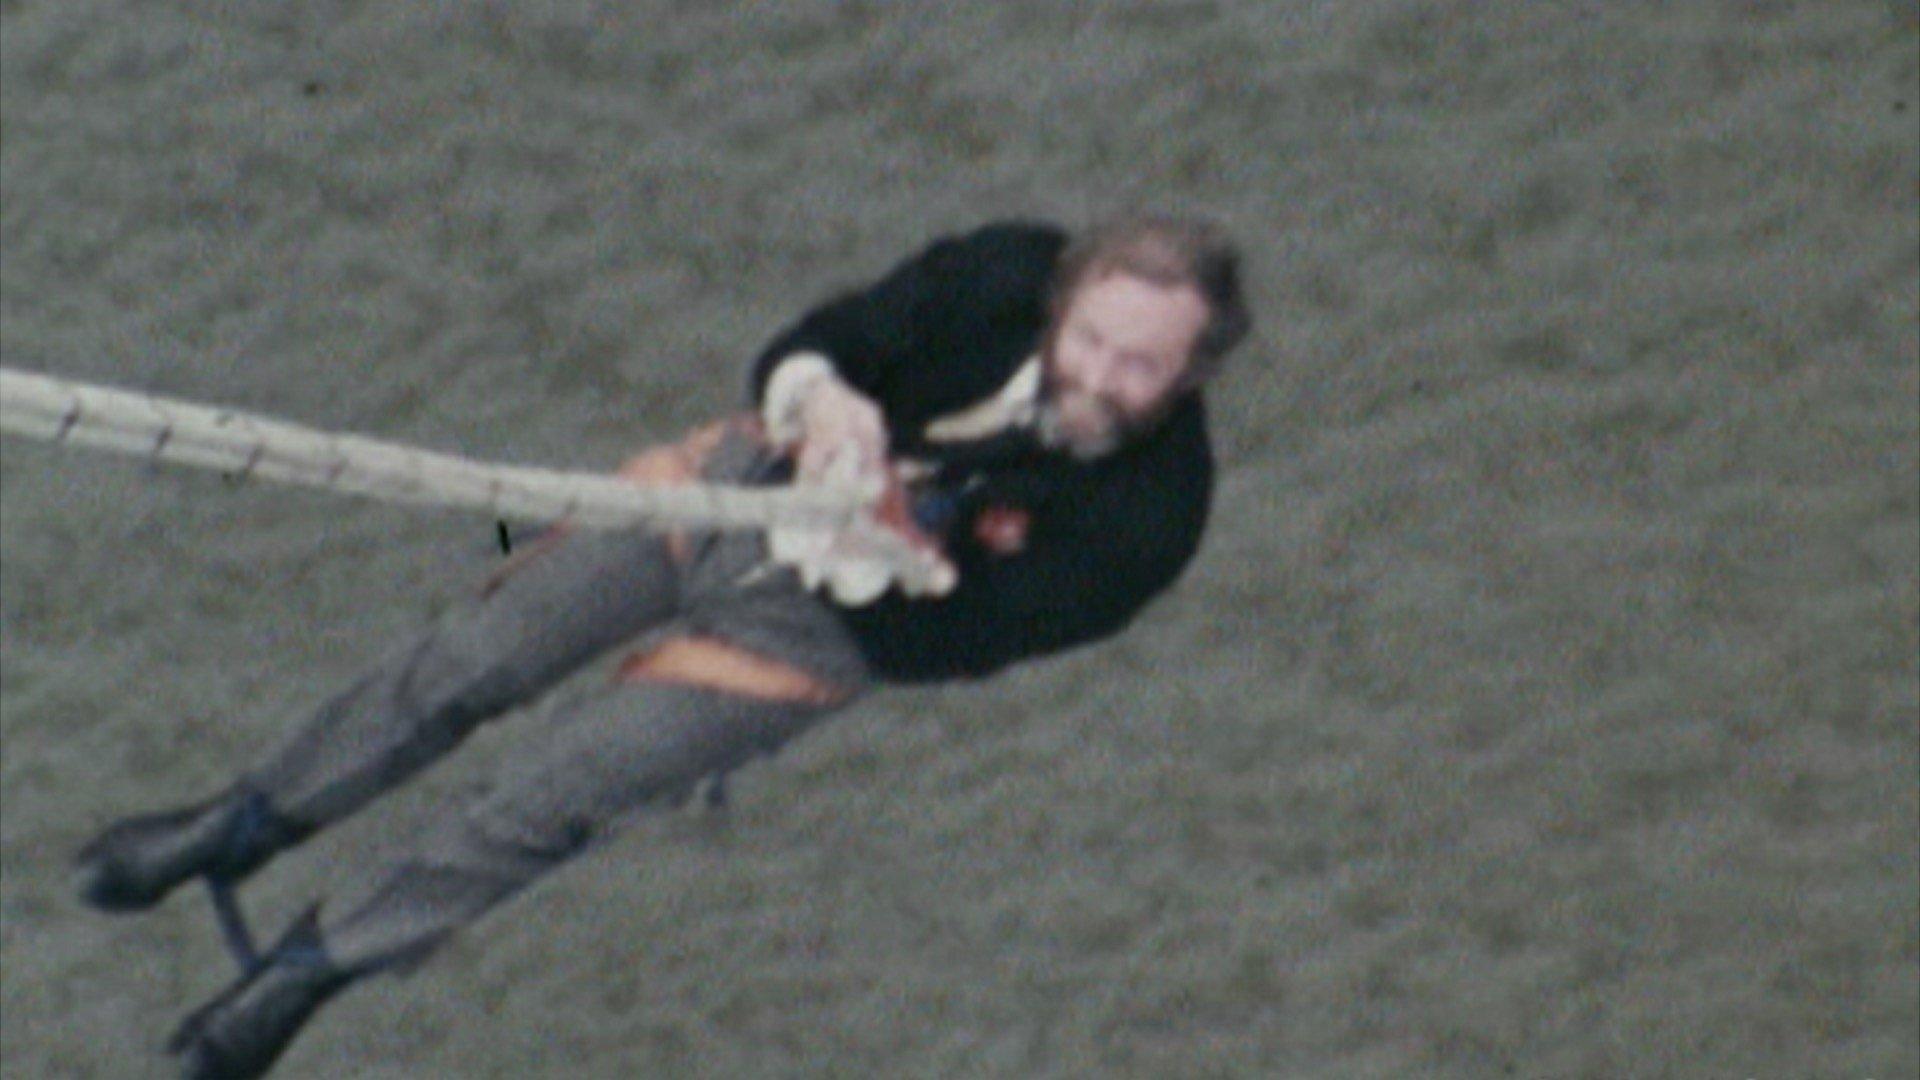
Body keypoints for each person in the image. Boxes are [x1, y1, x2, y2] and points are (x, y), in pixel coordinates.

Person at [73, 212, 1251, 1078]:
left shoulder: (1152, 518)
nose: (1097, 376)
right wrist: (822, 401)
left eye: (1138, 364)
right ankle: (244, 821)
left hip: (830, 631)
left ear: (1193, 371)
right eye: (1090, 338)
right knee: (476, 657)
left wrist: (876, 552)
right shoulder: (999, 271)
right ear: (1062, 302)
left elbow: (968, 638)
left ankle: (304, 972)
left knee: (551, 796)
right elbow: (820, 337)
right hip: (735, 487)